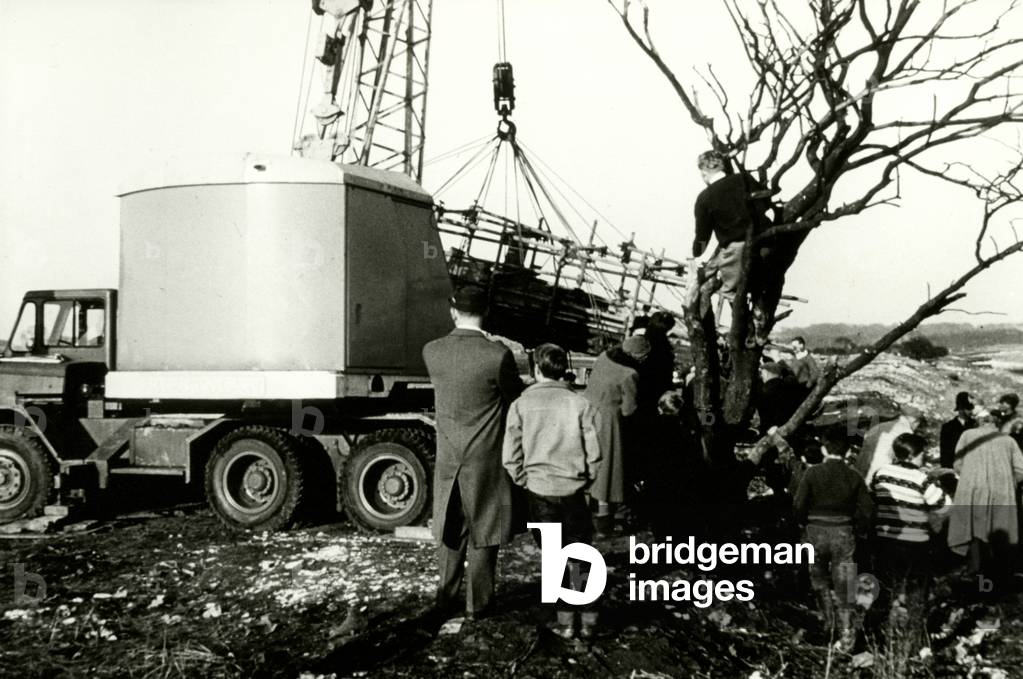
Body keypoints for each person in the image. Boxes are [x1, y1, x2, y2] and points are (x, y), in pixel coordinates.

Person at [422, 285, 525, 621]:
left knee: (451, 529)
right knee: (485, 530)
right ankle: (478, 605)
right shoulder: (497, 355)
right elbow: (514, 396)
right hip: (486, 459)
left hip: (449, 458)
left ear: (453, 311)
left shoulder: (432, 351)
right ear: (487, 312)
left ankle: (445, 596)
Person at [502, 343, 602, 639]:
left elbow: (510, 456)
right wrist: (586, 480)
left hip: (539, 491)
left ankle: (564, 621)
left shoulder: (520, 405)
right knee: (580, 554)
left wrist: (524, 480)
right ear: (564, 370)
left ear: (535, 370)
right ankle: (588, 619)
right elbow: (595, 454)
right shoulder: (580, 404)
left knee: (553, 557)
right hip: (574, 491)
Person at [793, 429, 873, 649]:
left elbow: (798, 505)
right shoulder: (854, 476)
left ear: (823, 449)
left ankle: (827, 625)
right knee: (845, 583)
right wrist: (859, 529)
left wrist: (802, 525)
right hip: (843, 532)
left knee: (818, 579)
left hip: (815, 531)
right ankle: (846, 634)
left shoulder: (812, 474)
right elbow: (867, 510)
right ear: (847, 452)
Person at [870, 433, 950, 624]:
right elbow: (944, 505)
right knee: (916, 586)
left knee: (884, 584)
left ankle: (877, 625)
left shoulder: (881, 473)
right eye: (923, 453)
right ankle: (914, 626)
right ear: (914, 455)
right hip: (915, 541)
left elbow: (874, 493)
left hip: (885, 538)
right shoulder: (921, 479)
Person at [947, 410, 1023, 592]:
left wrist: (972, 474)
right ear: (997, 423)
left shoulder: (967, 435)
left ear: (979, 421)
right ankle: (994, 578)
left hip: (973, 490)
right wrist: (1009, 482)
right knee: (998, 530)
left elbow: (957, 464)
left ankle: (976, 572)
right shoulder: (1008, 441)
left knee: (973, 529)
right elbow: (1020, 470)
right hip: (1001, 494)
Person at [687, 150, 770, 316]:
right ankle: (759, 310)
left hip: (737, 248)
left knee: (731, 291)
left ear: (704, 172)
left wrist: (697, 252)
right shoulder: (744, 179)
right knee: (761, 283)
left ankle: (744, 322)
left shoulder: (704, 198)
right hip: (766, 239)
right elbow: (765, 201)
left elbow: (703, 236)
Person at [584, 335, 648, 534]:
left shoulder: (604, 357)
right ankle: (604, 518)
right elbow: (629, 409)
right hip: (610, 422)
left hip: (589, 412)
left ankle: (594, 506)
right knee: (610, 469)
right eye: (643, 356)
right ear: (636, 355)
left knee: (593, 463)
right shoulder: (630, 374)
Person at [854, 405, 924, 483]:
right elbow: (907, 461)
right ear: (915, 422)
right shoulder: (907, 433)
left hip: (858, 473)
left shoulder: (879, 426)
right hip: (879, 477)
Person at [940, 391, 977, 470]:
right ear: (961, 407)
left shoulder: (976, 426)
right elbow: (945, 453)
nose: (971, 411)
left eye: (972, 408)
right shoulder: (948, 427)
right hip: (953, 468)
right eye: (968, 408)